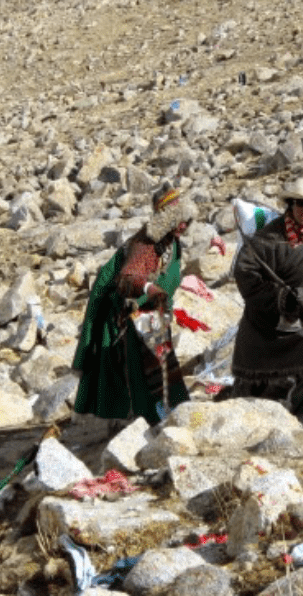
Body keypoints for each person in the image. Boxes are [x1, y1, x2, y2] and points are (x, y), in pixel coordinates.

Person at [72, 183, 197, 426]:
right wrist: (150, 288)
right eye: (178, 219)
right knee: (139, 367)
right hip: (128, 312)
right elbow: (128, 278)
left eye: (186, 219)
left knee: (161, 363)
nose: (183, 225)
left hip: (152, 314)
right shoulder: (146, 245)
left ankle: (165, 413)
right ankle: (143, 419)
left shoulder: (172, 242)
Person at [230, 178, 303, 429]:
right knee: (249, 370)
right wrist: (279, 299)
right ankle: (238, 423)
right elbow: (245, 274)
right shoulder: (267, 237)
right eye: (301, 204)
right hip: (264, 320)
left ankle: (301, 423)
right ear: (291, 204)